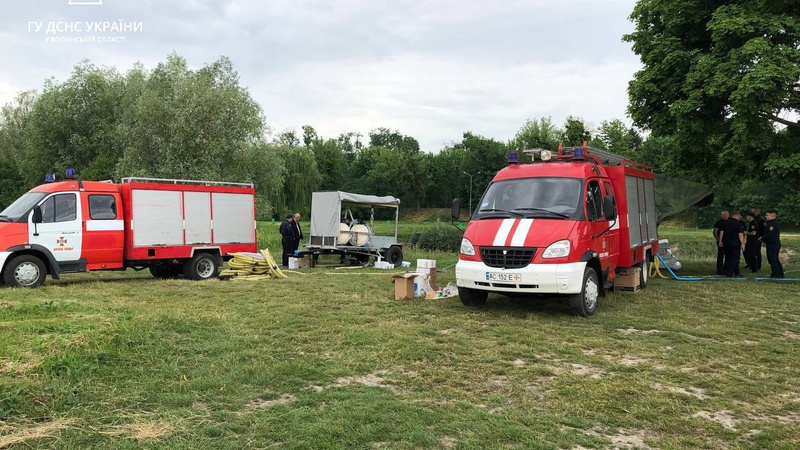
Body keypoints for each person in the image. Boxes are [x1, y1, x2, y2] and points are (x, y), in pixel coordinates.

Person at [718, 211, 744, 277]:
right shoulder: (738, 223)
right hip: (735, 243)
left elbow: (721, 232)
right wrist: (743, 243)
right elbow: (740, 234)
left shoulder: (725, 222)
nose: (740, 218)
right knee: (735, 258)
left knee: (728, 257)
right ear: (737, 215)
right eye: (740, 216)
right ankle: (729, 273)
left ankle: (730, 272)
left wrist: (720, 241)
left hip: (726, 243)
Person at [763, 210, 784, 279]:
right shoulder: (771, 223)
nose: (766, 216)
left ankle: (776, 274)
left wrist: (762, 238)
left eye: (767, 215)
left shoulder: (772, 224)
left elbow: (770, 235)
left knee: (773, 259)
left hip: (773, 244)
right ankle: (779, 274)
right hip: (773, 243)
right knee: (775, 259)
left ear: (772, 216)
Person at [713, 211, 729, 275]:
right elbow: (715, 232)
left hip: (729, 242)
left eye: (726, 214)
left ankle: (727, 270)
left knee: (728, 256)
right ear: (721, 215)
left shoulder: (730, 222)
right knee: (720, 256)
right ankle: (720, 270)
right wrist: (719, 240)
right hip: (721, 241)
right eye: (724, 215)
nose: (725, 216)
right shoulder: (719, 223)